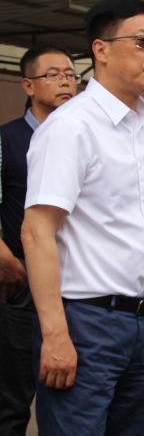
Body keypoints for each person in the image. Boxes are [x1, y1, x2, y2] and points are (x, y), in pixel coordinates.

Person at [21, 0, 144, 436]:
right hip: (86, 322)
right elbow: (37, 232)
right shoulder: (72, 127)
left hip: (141, 319)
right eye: (142, 42)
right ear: (101, 50)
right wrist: (55, 335)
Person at [0, 44, 78, 436]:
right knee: (14, 392)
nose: (65, 82)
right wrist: (8, 262)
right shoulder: (7, 139)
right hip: (23, 276)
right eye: (53, 75)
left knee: (67, 386)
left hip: (76, 280)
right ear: (28, 85)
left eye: (70, 74)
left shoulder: (78, 135)